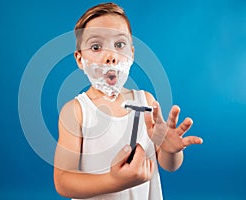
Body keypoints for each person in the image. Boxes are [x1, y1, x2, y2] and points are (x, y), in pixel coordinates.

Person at [54, 2, 203, 200]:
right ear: (80, 60)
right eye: (96, 46)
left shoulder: (146, 101)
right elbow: (63, 181)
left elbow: (169, 166)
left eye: (119, 45)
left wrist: (171, 150)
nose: (111, 57)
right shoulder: (76, 111)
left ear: (131, 53)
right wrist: (114, 182)